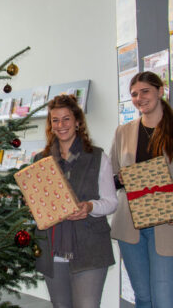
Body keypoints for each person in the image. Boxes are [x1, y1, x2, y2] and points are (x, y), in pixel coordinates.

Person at [32, 94, 117, 308]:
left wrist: (89, 207)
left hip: (90, 248)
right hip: (53, 250)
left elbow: (111, 202)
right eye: (55, 120)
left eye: (66, 119)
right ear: (50, 125)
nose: (61, 125)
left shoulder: (98, 157)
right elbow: (36, 205)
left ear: (78, 122)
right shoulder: (40, 161)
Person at [110, 71, 173, 308]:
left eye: (145, 91)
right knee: (143, 298)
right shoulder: (123, 131)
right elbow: (111, 177)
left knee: (164, 299)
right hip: (130, 225)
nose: (139, 98)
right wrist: (123, 179)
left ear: (160, 90)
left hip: (166, 225)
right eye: (134, 94)